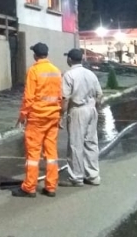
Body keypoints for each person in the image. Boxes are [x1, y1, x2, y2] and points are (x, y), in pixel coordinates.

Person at [12, 42, 63, 198]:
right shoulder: (56, 71)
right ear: (46, 54)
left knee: (33, 154)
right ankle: (51, 186)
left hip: (37, 117)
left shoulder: (34, 71)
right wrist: (59, 113)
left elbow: (29, 97)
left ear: (35, 55)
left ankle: (29, 187)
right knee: (51, 152)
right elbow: (59, 96)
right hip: (53, 116)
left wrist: (22, 115)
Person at [60, 49, 103, 187]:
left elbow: (65, 98)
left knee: (75, 145)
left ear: (70, 59)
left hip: (77, 110)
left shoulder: (69, 75)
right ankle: (93, 176)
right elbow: (99, 95)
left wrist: (61, 115)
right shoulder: (91, 74)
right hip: (91, 109)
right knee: (91, 143)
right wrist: (95, 109)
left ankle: (76, 177)